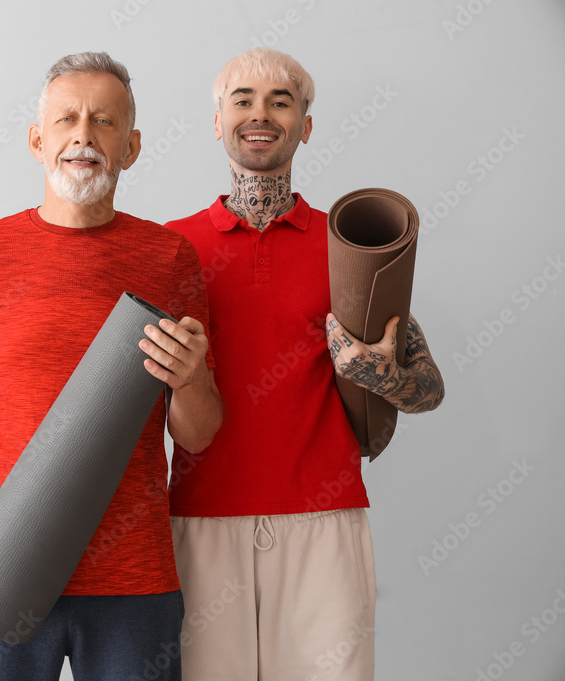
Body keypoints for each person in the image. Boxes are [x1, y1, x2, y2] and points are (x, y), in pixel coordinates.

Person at [0, 51, 223, 681]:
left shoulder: (168, 258)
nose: (84, 134)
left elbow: (197, 433)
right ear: (37, 141)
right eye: (68, 120)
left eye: (105, 122)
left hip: (133, 576)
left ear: (131, 146)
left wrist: (190, 379)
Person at [165, 47, 444, 681]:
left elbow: (428, 389)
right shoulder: (170, 248)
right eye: (242, 100)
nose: (259, 115)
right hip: (199, 522)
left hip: (325, 522)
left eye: (280, 101)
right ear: (216, 122)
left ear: (305, 126)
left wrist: (378, 373)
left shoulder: (348, 249)